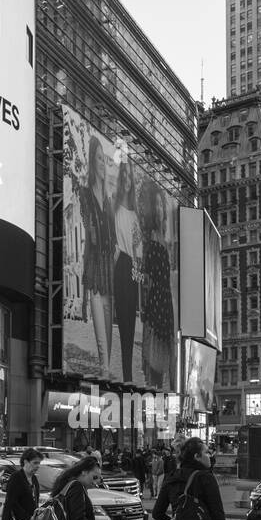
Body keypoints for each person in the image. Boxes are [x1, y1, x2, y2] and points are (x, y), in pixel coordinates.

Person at [80, 135, 116, 377]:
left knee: (107, 317)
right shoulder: (84, 194)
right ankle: (104, 367)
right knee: (99, 321)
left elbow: (113, 239)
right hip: (94, 265)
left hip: (109, 267)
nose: (103, 164)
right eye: (99, 159)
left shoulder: (109, 200)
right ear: (92, 163)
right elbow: (87, 230)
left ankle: (107, 366)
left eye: (105, 160)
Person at [139, 178, 175, 389]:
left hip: (166, 307)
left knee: (164, 365)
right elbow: (145, 277)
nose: (161, 208)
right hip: (155, 307)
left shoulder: (164, 240)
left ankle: (159, 404)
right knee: (154, 364)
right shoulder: (149, 238)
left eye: (163, 204)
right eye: (158, 204)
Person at [113, 161, 143, 383]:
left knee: (129, 324)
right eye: (123, 175)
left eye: (129, 176)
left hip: (130, 267)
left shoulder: (134, 215)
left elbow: (138, 247)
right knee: (122, 321)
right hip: (118, 263)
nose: (126, 180)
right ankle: (124, 374)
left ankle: (127, 375)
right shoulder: (113, 208)